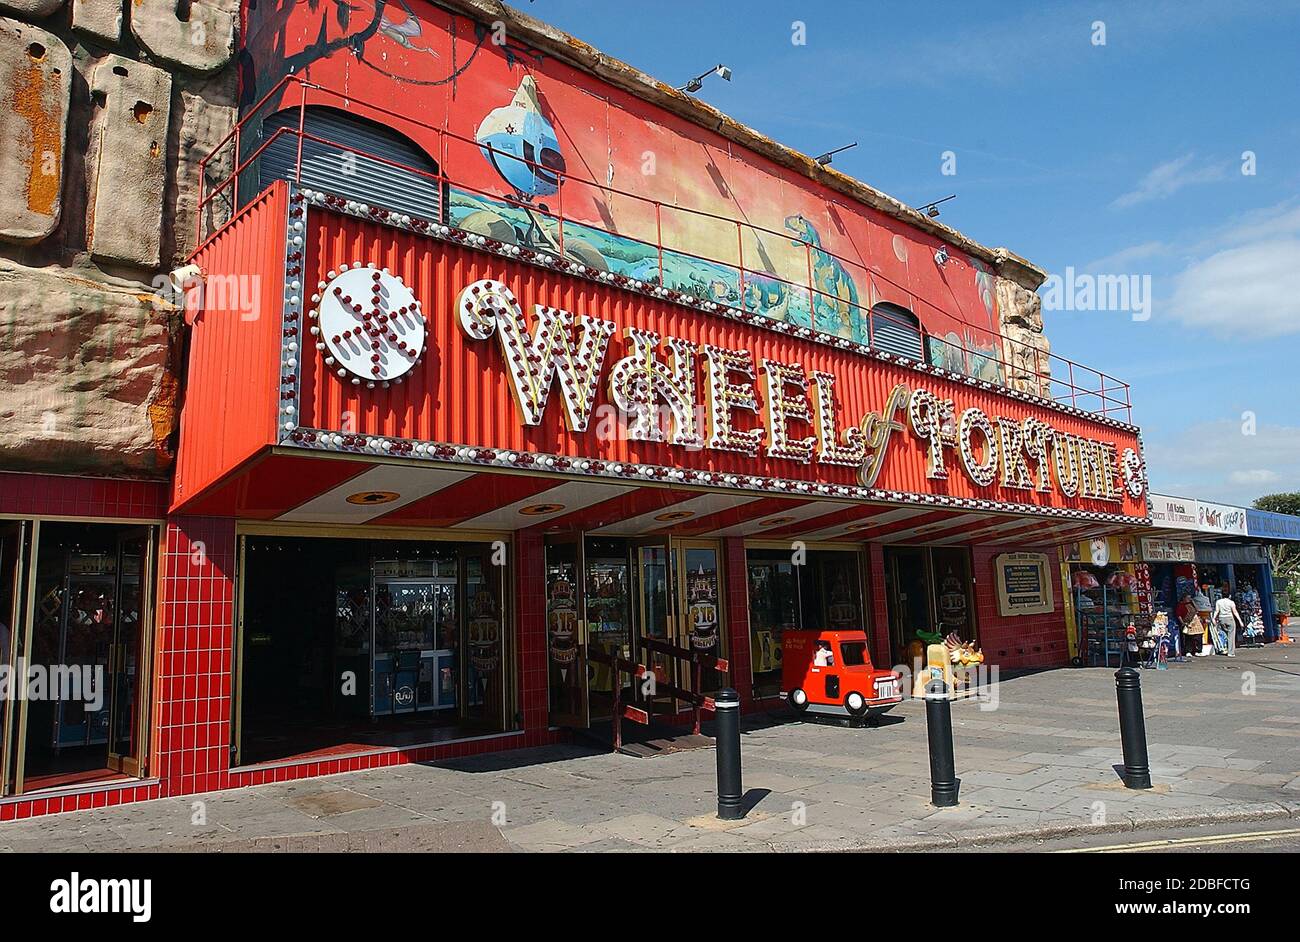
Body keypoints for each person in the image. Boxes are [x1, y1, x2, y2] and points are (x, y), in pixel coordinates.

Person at [1211, 586, 1243, 657]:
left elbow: (1217, 611)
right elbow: (1235, 612)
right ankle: (1230, 652)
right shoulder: (1231, 602)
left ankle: (1223, 648)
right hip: (1230, 619)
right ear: (1230, 596)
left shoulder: (1218, 602)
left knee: (1223, 634)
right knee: (1231, 636)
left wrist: (1213, 618)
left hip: (1221, 619)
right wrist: (1240, 621)